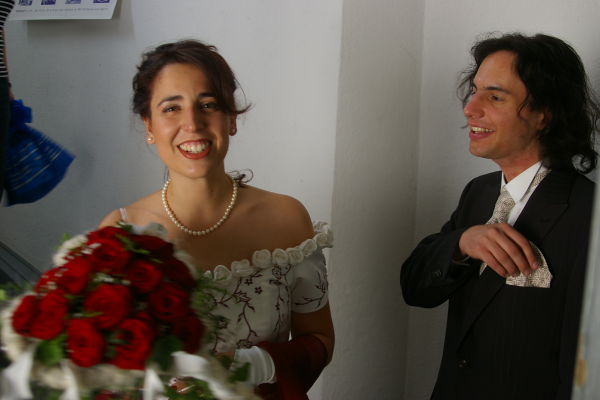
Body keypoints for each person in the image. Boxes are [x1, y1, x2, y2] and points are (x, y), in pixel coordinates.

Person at [100, 40, 334, 399]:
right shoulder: (121, 232)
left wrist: (250, 366)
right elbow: (103, 368)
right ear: (149, 126)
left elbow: (320, 341)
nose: (192, 124)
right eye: (171, 108)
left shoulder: (286, 219)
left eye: (208, 105)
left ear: (231, 119)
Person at [401, 33, 598, 400]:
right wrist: (462, 242)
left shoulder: (590, 213)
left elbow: (584, 365)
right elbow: (415, 289)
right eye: (474, 91)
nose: (470, 109)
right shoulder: (477, 193)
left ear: (544, 114)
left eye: (494, 96)